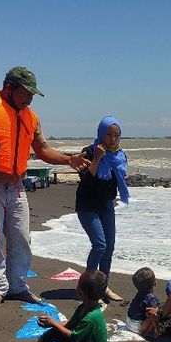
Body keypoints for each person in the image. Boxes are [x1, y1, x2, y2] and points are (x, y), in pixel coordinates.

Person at [0, 66, 88, 309]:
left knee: (21, 238)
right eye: (26, 93)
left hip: (16, 186)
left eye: (33, 94)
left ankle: (18, 286)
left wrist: (69, 159)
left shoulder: (31, 117)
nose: (30, 98)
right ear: (9, 88)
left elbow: (43, 150)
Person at [76, 116, 130, 302]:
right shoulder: (89, 152)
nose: (113, 139)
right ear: (101, 133)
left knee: (109, 248)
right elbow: (86, 178)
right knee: (100, 245)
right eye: (109, 134)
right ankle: (88, 287)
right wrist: (97, 158)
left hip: (106, 205)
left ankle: (103, 287)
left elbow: (119, 178)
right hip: (87, 205)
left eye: (117, 135)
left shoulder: (120, 155)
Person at [19, 270, 108, 342]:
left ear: (81, 292)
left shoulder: (92, 317)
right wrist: (51, 324)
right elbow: (70, 324)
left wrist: (54, 323)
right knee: (54, 332)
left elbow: (74, 336)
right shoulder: (83, 306)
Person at [126, 267, 161, 337]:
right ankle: (148, 331)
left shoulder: (139, 293)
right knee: (155, 313)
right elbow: (153, 315)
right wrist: (157, 329)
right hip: (138, 327)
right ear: (155, 283)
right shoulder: (152, 298)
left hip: (129, 322)